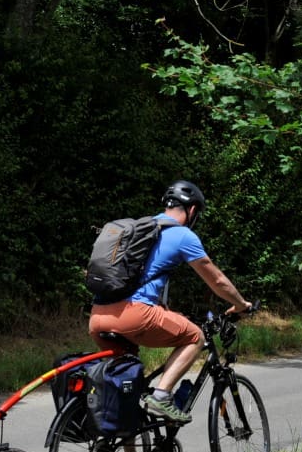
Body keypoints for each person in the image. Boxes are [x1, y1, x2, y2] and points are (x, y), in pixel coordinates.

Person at [89, 180, 253, 423]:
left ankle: (128, 446)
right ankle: (162, 396)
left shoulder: (142, 228)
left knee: (127, 387)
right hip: (133, 315)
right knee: (195, 337)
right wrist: (240, 304)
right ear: (193, 210)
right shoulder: (182, 235)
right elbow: (217, 280)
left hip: (98, 317)